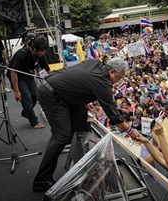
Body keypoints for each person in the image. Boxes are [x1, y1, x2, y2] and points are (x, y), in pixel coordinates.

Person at [32, 57, 140, 192]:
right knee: (61, 136)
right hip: (51, 94)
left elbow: (78, 81)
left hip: (59, 90)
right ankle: (41, 180)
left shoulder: (94, 63)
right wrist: (130, 131)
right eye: (118, 78)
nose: (118, 82)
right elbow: (113, 115)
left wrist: (84, 101)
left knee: (80, 121)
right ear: (112, 72)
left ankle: (82, 163)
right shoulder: (102, 82)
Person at [7, 35, 49, 129]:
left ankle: (26, 112)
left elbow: (47, 70)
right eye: (41, 51)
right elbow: (14, 72)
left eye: (44, 51)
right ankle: (34, 121)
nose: (43, 53)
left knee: (35, 95)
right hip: (17, 76)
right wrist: (16, 91)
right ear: (34, 49)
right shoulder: (22, 54)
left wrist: (55, 82)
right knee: (27, 98)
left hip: (27, 74)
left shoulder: (41, 55)